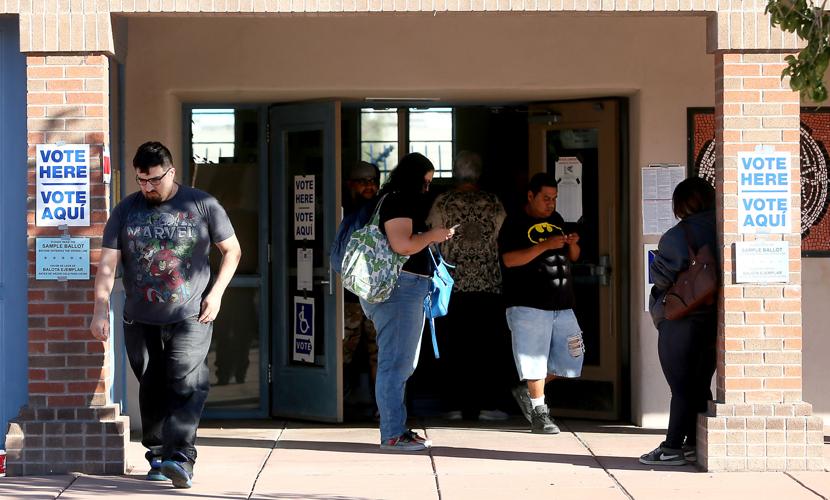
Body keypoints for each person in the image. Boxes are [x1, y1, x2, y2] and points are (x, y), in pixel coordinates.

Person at [89, 141, 241, 488]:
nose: (148, 187)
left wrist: (216, 294)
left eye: (154, 180)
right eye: (142, 180)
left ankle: (181, 457)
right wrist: (100, 309)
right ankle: (158, 454)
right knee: (152, 385)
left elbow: (232, 251)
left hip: (191, 313)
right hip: (139, 316)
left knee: (187, 381)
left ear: (171, 172)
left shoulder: (202, 204)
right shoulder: (125, 210)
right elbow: (108, 265)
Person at [359, 152, 456, 451]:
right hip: (398, 292)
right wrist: (434, 235)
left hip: (398, 291)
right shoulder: (398, 200)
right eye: (425, 182)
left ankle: (397, 428)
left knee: (400, 363)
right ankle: (392, 434)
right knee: (396, 365)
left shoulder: (387, 199)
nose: (427, 189)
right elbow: (402, 244)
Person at [426, 151, 511, 421]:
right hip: (487, 283)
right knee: (486, 347)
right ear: (479, 173)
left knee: (454, 346)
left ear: (454, 171)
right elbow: (502, 237)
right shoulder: (493, 202)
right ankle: (486, 404)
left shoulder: (443, 201)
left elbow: (431, 238)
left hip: (452, 286)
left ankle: (454, 405)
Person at [498, 172, 584, 434]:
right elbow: (509, 260)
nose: (551, 204)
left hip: (563, 303)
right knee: (533, 359)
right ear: (530, 196)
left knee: (573, 356)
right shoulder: (514, 222)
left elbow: (575, 258)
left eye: (554, 199)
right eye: (546, 198)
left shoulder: (556, 220)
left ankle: (528, 391)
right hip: (528, 303)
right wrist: (545, 245)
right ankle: (539, 413)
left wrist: (573, 245)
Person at [639, 177, 717, 466]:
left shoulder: (677, 236)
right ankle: (695, 443)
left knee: (681, 386)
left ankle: (671, 448)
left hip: (681, 319)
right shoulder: (725, 228)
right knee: (699, 385)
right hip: (713, 320)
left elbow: (660, 277)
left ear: (681, 204)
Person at [340, 161, 381, 416]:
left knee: (379, 352)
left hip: (377, 294)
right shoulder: (341, 211)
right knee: (344, 351)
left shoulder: (382, 209)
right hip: (348, 297)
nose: (369, 185)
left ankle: (381, 406)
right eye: (362, 181)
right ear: (350, 184)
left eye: (372, 180)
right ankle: (336, 402)